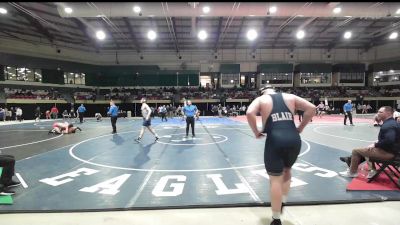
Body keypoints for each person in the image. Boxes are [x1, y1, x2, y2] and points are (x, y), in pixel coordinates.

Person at [246, 85, 316, 225]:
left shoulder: (261, 99)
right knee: (287, 169)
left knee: (275, 179)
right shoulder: (289, 96)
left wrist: (256, 131)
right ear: (274, 89)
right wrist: (300, 127)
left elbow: (249, 113)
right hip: (294, 139)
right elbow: (312, 108)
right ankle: (283, 201)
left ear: (262, 92)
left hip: (275, 139)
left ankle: (276, 219)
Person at [339, 106, 400, 178]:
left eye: (380, 112)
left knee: (355, 151)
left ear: (388, 113)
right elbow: (392, 138)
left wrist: (376, 144)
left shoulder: (389, 125)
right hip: (392, 151)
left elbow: (389, 141)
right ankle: (372, 170)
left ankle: (352, 172)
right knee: (367, 150)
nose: (378, 113)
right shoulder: (392, 123)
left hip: (388, 153)